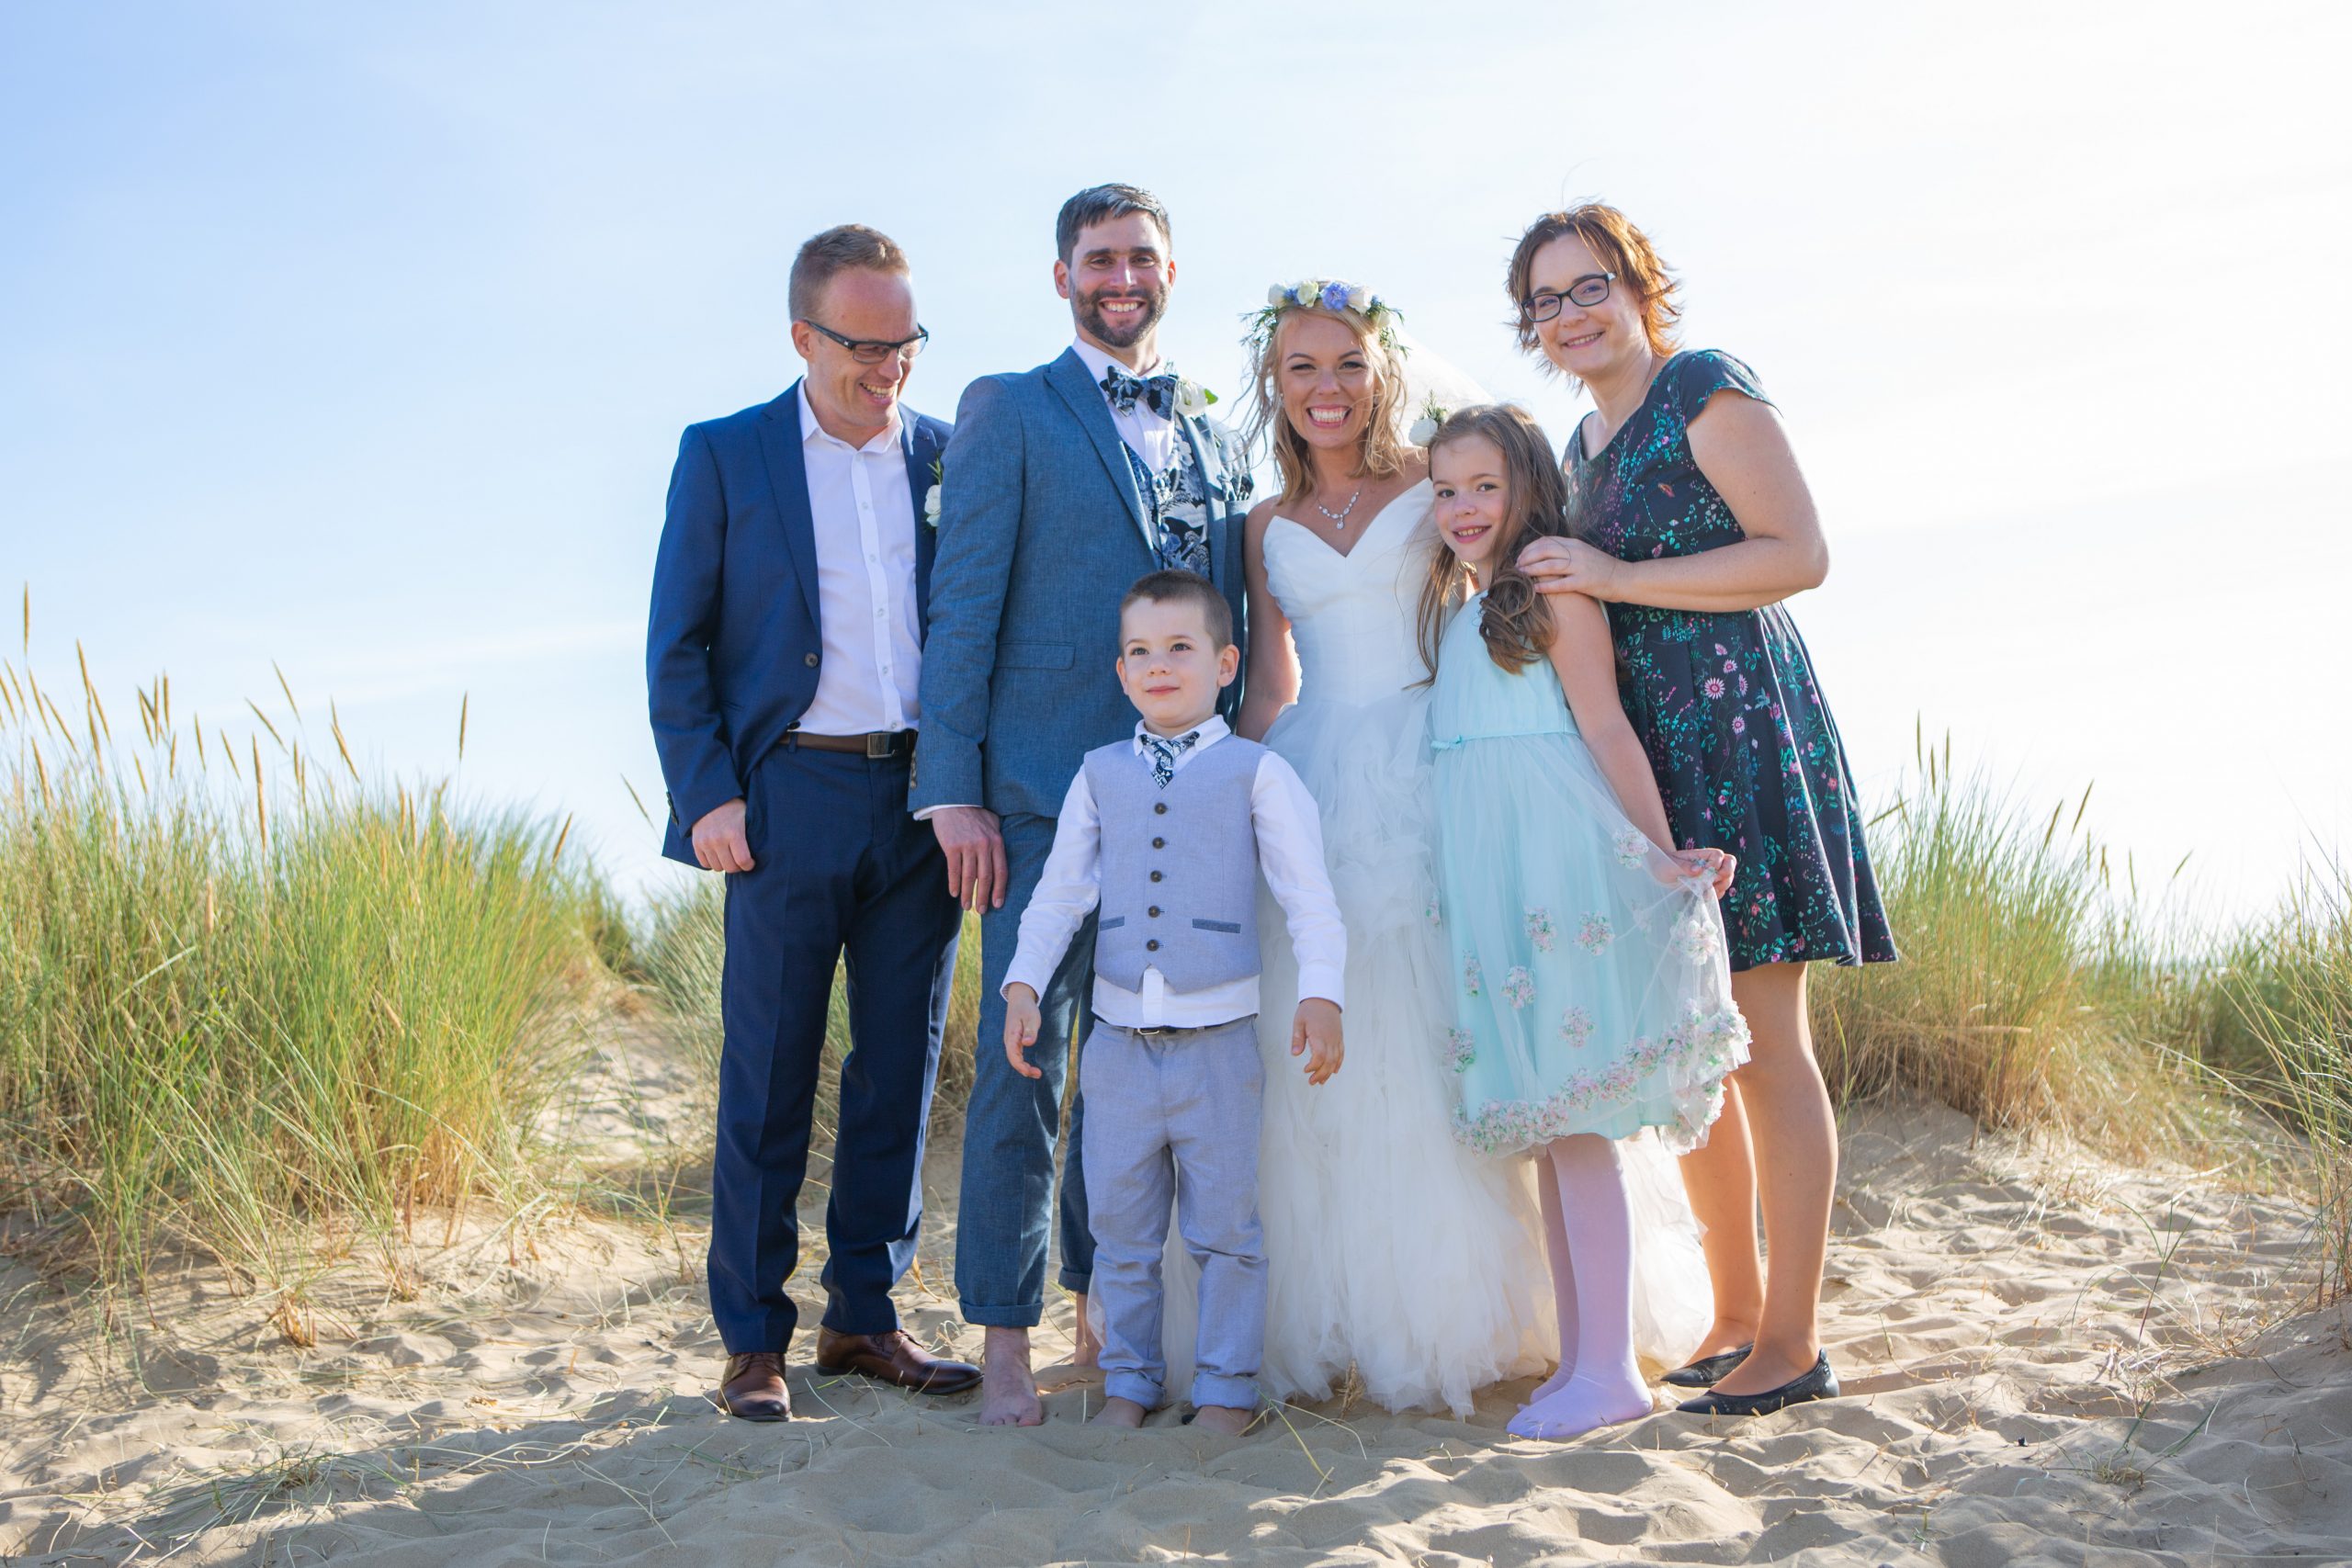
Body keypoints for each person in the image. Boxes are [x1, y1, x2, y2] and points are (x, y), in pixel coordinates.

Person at [1507, 203, 1898, 1416]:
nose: (1571, 314)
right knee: (1701, 1046)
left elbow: (1797, 552)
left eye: (1591, 286)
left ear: (1639, 286)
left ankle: (1794, 1337)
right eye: (1546, 300)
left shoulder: (1703, 388)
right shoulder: (1579, 446)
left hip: (1739, 728)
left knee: (1768, 1041)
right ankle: (1734, 1315)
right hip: (1652, 755)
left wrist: (1618, 576)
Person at [1156, 278, 1565, 1417]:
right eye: (1301, 368)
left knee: (1426, 1019)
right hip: (1313, 774)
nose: (1325, 388)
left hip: (1432, 754)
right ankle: (1324, 1315)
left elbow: (1497, 587)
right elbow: (1267, 681)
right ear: (1273, 384)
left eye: (1346, 364)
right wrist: (1223, 798)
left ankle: (1457, 1313)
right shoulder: (1263, 526)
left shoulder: (1432, 481)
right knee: (1315, 1034)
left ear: (1383, 371)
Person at [913, 185, 1254, 1426]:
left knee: (1135, 1069)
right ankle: (1003, 1336)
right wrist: (952, 790)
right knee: (1024, 1064)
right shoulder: (1008, 408)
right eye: (1098, 259)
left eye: (1141, 257)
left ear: (1172, 271)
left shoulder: (1214, 429)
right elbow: (962, 606)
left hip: (1184, 802)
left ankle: (1098, 1317)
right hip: (1039, 799)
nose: (1121, 277)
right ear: (1062, 276)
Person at [646, 224, 979, 1422]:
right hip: (787, 796)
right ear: (804, 336)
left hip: (923, 800)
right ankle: (753, 1340)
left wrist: (969, 784)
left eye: (907, 343)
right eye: (864, 346)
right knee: (769, 1073)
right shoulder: (725, 454)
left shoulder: (949, 456)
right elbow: (676, 643)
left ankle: (863, 1317)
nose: (890, 367)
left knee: (899, 1069)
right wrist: (709, 795)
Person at [1417, 403, 1747, 1438]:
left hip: (1559, 869)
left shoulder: (1554, 592)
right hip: (1494, 879)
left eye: (1484, 485)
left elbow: (1606, 729)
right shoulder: (1463, 610)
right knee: (1549, 1126)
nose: (1464, 508)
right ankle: (1581, 1356)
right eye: (1445, 490)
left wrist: (1658, 854)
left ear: (1527, 485)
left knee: (1579, 1119)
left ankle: (1610, 1367)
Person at [999, 570, 1345, 1434]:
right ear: (1121, 673)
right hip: (1117, 1046)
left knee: (1226, 1229)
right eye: (1141, 652)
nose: (1159, 665)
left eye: (1180, 647)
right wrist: (1023, 983)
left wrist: (1322, 994)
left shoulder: (1257, 773)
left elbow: (1309, 897)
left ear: (1226, 664)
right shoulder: (1098, 773)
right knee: (1120, 1230)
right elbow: (1059, 894)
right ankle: (1129, 1381)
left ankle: (1226, 1388)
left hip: (1218, 1045)